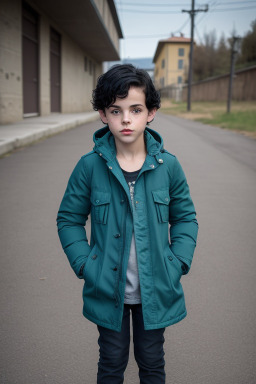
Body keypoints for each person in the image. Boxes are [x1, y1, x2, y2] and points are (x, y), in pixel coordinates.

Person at [56, 64, 198, 384]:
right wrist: (85, 264)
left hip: (156, 288)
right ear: (103, 115)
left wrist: (177, 262)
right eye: (116, 110)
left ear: (151, 112)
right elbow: (69, 219)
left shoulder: (169, 166)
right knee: (111, 363)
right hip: (107, 290)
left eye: (136, 109)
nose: (126, 119)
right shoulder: (89, 167)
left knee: (151, 362)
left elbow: (185, 217)